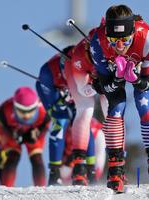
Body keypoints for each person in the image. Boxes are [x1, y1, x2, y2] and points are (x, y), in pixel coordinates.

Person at [88, 4, 149, 192]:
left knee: (143, 103)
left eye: (125, 39)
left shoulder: (148, 40)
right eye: (113, 40)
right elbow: (104, 85)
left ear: (133, 33)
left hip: (141, 67)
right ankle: (115, 168)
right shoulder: (98, 41)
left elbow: (148, 82)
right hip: (112, 70)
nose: (120, 46)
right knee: (115, 106)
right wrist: (115, 78)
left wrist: (137, 79)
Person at [35, 46, 99, 185]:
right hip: (59, 100)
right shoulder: (48, 71)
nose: (69, 73)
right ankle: (54, 172)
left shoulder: (85, 67)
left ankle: (89, 169)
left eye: (72, 70)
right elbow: (45, 92)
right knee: (59, 124)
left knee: (84, 125)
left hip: (77, 99)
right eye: (66, 70)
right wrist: (59, 101)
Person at [63, 23, 108, 186]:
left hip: (99, 79)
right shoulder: (80, 56)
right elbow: (84, 91)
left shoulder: (114, 49)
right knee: (86, 109)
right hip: (82, 79)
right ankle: (79, 166)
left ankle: (118, 163)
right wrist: (97, 85)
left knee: (112, 108)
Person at [0, 86, 51, 186]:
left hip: (33, 133)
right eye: (21, 110)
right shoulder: (5, 109)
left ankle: (41, 189)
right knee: (12, 158)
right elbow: (2, 126)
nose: (26, 115)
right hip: (13, 133)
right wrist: (12, 134)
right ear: (15, 106)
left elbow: (45, 125)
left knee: (36, 158)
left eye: (31, 110)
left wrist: (37, 133)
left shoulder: (43, 110)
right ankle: (5, 188)